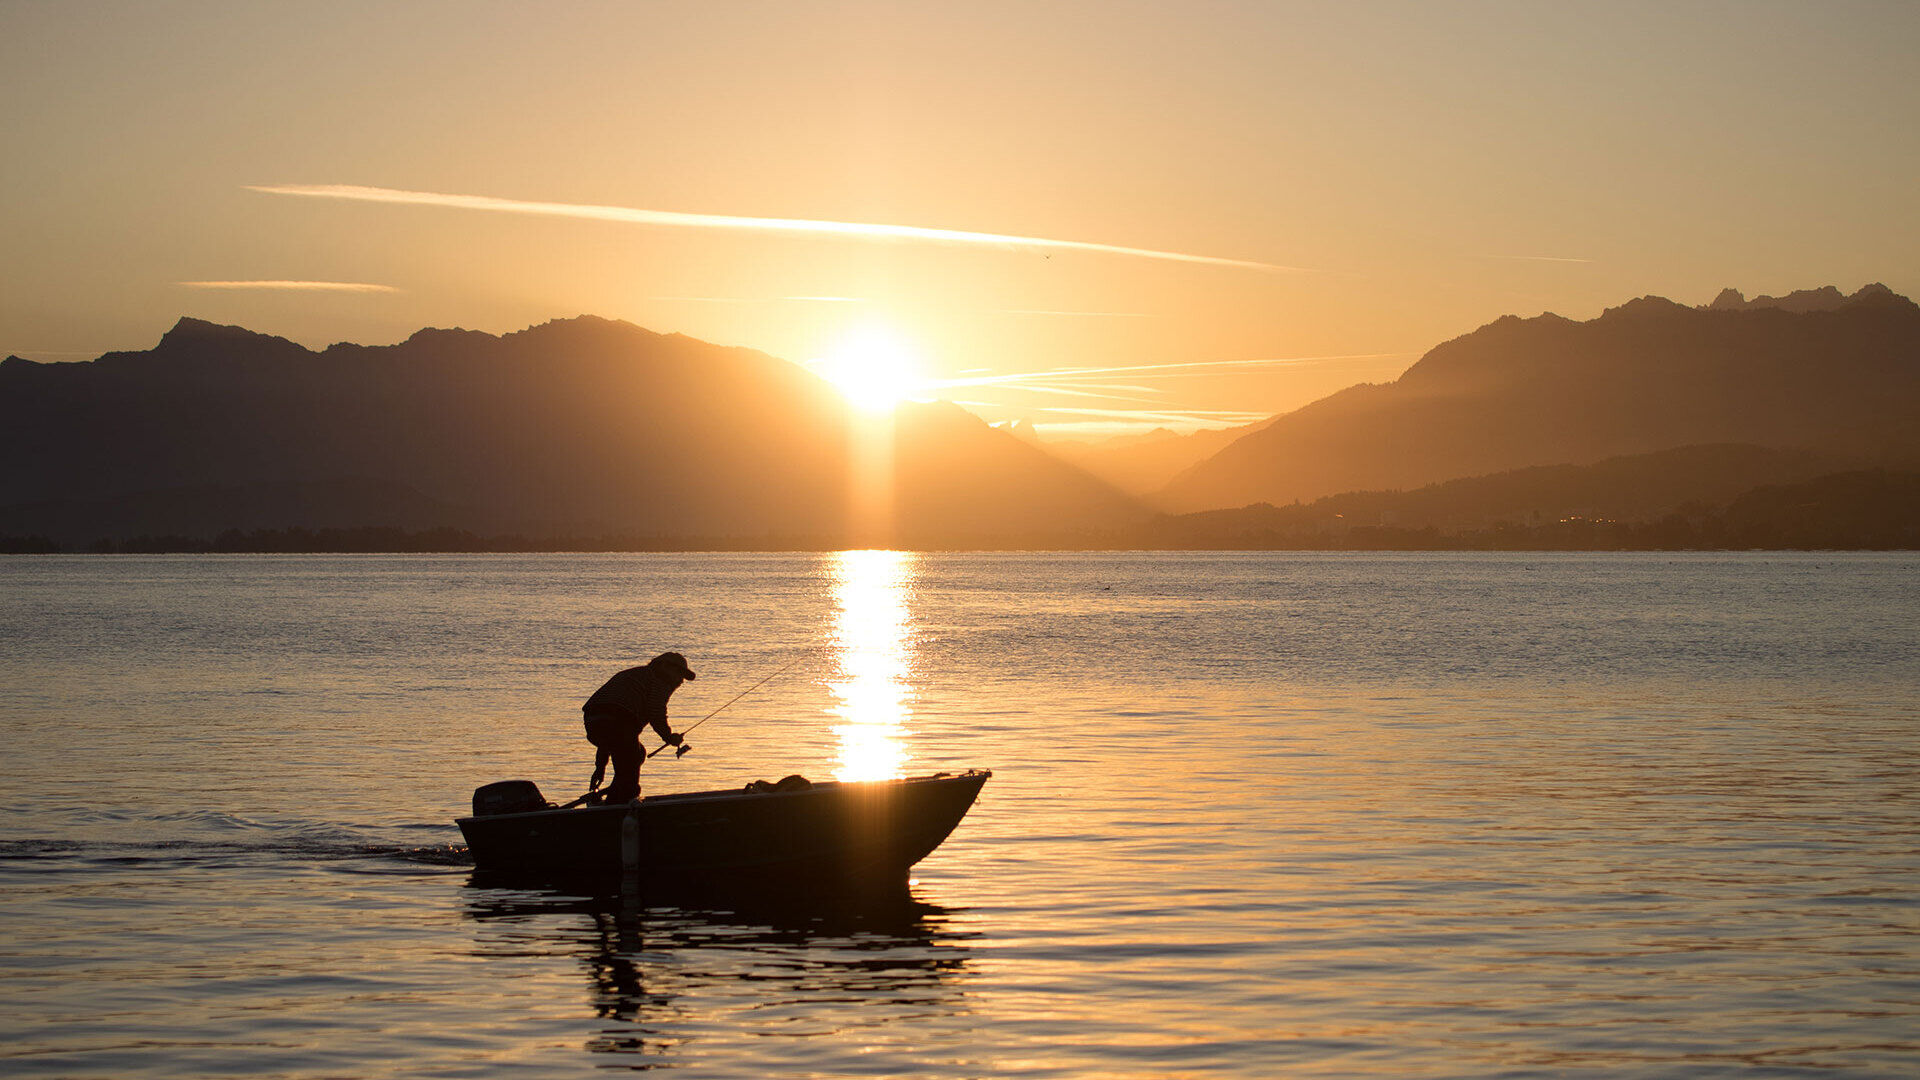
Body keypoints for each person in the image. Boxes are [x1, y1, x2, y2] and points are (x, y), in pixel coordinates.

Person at [582, 651, 694, 802]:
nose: (680, 681)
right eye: (679, 674)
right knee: (632, 761)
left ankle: (618, 790)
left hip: (592, 721)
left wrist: (600, 767)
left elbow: (607, 735)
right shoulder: (659, 680)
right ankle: (621, 801)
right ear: (664, 667)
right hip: (619, 720)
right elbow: (656, 712)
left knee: (636, 754)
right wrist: (668, 737)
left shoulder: (636, 675)